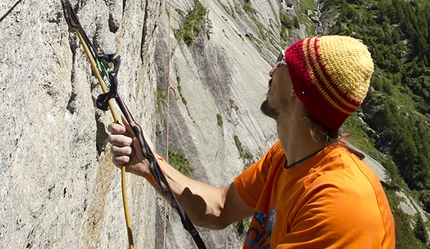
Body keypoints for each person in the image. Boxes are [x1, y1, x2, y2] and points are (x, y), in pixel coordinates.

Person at [107, 35, 396, 247]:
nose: (271, 71)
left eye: (281, 62)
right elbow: (219, 208)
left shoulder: (341, 207)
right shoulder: (285, 157)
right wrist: (151, 166)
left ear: (298, 88)